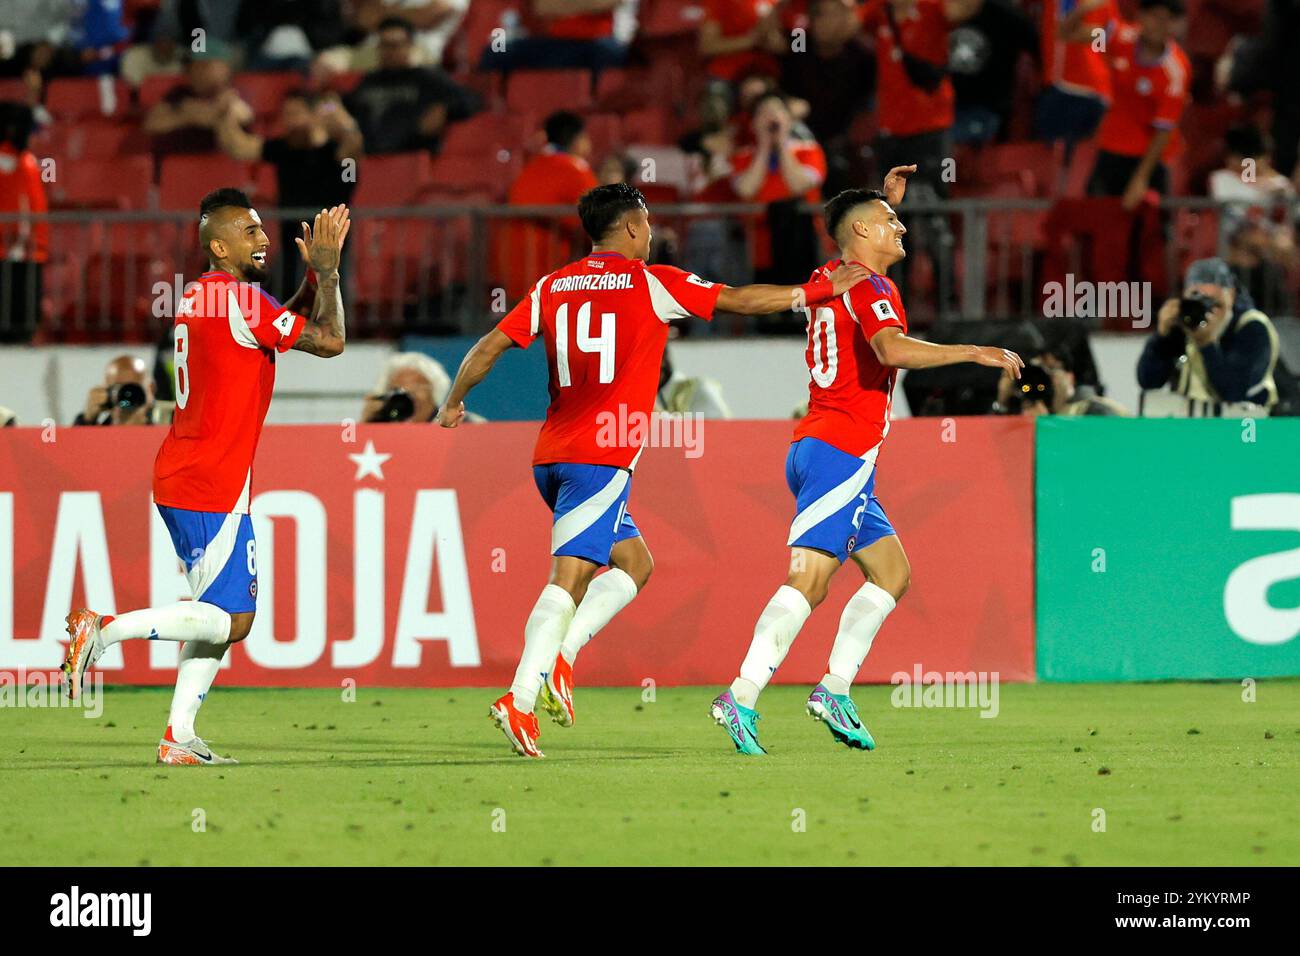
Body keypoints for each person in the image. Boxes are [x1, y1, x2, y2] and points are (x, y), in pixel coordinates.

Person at [437, 182, 871, 758]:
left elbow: (487, 348)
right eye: (646, 221)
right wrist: (813, 291)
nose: (650, 232)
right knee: (567, 581)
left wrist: (452, 401)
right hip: (600, 460)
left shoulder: (551, 285)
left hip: (551, 456)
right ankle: (518, 698)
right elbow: (739, 300)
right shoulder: (652, 282)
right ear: (632, 228)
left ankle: (562, 658)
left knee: (634, 564)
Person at [709, 180, 1024, 755]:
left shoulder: (835, 278)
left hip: (831, 451)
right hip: (839, 451)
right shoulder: (874, 285)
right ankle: (742, 693)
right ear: (862, 232)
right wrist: (973, 352)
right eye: (889, 220)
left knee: (892, 573)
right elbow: (892, 349)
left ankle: (833, 688)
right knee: (810, 578)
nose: (900, 227)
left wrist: (882, 195)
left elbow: (852, 220)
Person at [60, 191, 350, 766]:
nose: (264, 238)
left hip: (186, 470)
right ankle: (103, 629)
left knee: (212, 613)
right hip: (212, 481)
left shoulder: (205, 296)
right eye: (249, 231)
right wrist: (329, 273)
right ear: (219, 245)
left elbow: (279, 324)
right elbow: (331, 342)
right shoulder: (241, 300)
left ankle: (178, 735)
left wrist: (312, 283)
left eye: (262, 228)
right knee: (233, 620)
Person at [218, 88, 362, 290]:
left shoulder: (335, 151)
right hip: (291, 246)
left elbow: (353, 147)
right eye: (286, 116)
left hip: (331, 249)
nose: (291, 122)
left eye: (296, 114)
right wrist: (225, 114)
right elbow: (239, 147)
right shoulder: (284, 148)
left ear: (313, 115)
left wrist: (336, 112)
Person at [1064, 0, 1189, 210]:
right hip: (1111, 150)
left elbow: (1163, 131)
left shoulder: (1175, 71)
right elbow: (1068, 34)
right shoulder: (1120, 38)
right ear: (1141, 17)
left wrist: (1140, 180)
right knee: (1096, 221)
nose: (1160, 25)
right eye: (1155, 17)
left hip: (1149, 161)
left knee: (1150, 233)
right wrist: (1082, 10)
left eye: (1169, 20)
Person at [1137, 257, 1280, 413]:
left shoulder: (1252, 327)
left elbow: (1234, 393)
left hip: (1246, 428)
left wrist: (1206, 344)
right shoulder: (1186, 323)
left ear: (1231, 296)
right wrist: (1161, 337)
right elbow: (1148, 381)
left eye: (1214, 303)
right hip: (1193, 424)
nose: (1206, 312)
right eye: (1197, 302)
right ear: (1185, 295)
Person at [344, 16, 476, 154]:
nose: (389, 52)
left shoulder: (427, 78)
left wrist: (444, 109)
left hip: (411, 155)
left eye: (394, 45)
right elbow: (343, 105)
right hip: (369, 156)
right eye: (384, 45)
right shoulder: (369, 80)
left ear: (409, 46)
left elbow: (470, 99)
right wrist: (329, 107)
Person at [0, 101, 47, 344]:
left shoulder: (26, 160)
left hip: (28, 251)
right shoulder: (7, 159)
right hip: (9, 252)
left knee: (24, 323)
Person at [362, 351, 486, 422]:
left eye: (416, 388)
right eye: (396, 390)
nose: (407, 397)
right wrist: (370, 422)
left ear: (435, 390)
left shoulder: (465, 423)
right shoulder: (384, 429)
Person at [72, 355, 169, 426]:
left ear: (151, 389)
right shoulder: (92, 436)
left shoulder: (167, 431)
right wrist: (86, 420)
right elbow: (73, 450)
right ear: (105, 392)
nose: (126, 396)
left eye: (133, 389)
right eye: (117, 389)